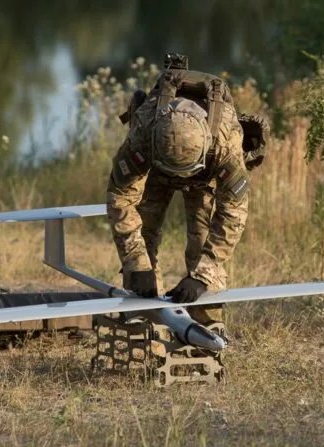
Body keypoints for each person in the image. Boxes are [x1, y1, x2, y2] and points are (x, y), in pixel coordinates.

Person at [106, 54, 255, 323]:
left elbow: (233, 215)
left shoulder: (225, 142)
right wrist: (136, 262)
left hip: (204, 176)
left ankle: (206, 329)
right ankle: (144, 327)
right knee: (143, 250)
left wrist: (202, 276)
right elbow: (121, 197)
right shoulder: (145, 130)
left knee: (201, 248)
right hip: (155, 170)